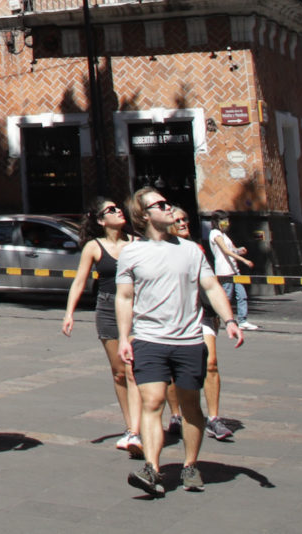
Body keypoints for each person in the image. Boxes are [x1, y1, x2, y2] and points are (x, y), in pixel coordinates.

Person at [117, 186, 243, 498]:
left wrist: (230, 320)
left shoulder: (191, 250)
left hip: (189, 340)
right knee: (152, 402)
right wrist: (123, 337)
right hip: (149, 339)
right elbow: (124, 297)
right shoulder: (131, 252)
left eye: (167, 203)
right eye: (160, 205)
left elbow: (211, 287)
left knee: (190, 406)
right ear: (144, 215)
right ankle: (151, 467)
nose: (168, 207)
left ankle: (190, 465)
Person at [62, 196, 141, 454]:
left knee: (132, 370)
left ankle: (137, 431)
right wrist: (69, 313)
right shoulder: (94, 247)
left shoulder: (137, 243)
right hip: (107, 308)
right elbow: (79, 281)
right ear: (101, 220)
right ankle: (130, 426)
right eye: (111, 210)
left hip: (135, 308)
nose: (118, 211)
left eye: (118, 208)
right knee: (119, 372)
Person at [175, 206, 234, 443]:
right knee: (173, 369)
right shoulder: (158, 251)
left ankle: (214, 418)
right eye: (177, 220)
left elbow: (209, 284)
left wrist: (228, 317)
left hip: (201, 312)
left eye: (185, 219)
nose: (183, 223)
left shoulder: (196, 248)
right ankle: (176, 415)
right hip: (174, 316)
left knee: (210, 362)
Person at [203, 213, 256, 329]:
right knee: (226, 297)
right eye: (223, 220)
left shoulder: (224, 235)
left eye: (227, 220)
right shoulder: (215, 234)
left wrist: (239, 251)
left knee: (242, 295)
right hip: (225, 271)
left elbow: (232, 250)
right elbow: (226, 251)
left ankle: (242, 320)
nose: (226, 222)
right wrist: (244, 260)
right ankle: (219, 318)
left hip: (234, 269)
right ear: (217, 221)